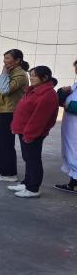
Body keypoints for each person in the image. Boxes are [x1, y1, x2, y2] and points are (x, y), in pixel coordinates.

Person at [7, 66, 59, 198]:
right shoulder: (34, 90)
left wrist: (30, 135)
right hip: (24, 131)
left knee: (33, 160)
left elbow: (39, 119)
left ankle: (33, 188)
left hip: (32, 133)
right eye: (30, 75)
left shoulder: (48, 94)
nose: (31, 78)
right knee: (28, 158)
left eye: (34, 75)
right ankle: (27, 183)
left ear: (45, 77)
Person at [0, 49, 29, 182]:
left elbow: (5, 90)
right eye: (4, 58)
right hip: (3, 110)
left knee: (5, 142)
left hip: (11, 111)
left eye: (8, 58)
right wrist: (4, 72)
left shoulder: (20, 75)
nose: (5, 61)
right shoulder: (11, 71)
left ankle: (9, 173)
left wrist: (5, 73)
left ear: (17, 60)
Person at [54, 59, 77, 194]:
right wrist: (62, 92)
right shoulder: (75, 85)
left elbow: (70, 104)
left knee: (75, 153)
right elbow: (62, 101)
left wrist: (71, 106)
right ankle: (73, 184)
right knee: (71, 152)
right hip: (70, 125)